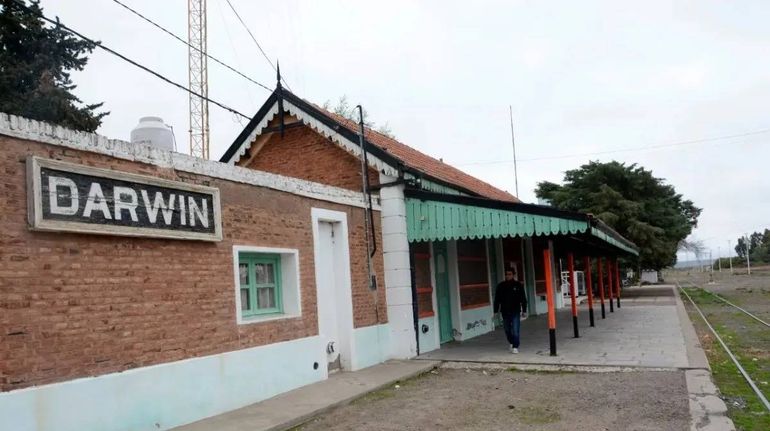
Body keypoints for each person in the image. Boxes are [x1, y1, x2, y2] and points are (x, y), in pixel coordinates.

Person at [493, 269, 528, 353]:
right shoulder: (501, 286)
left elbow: (523, 298)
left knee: (515, 329)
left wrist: (524, 310)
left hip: (515, 311)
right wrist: (495, 311)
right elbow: (497, 299)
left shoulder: (518, 285)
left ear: (513, 275)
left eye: (510, 274)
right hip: (505, 311)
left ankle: (515, 346)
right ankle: (511, 342)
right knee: (507, 329)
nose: (508, 276)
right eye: (506, 274)